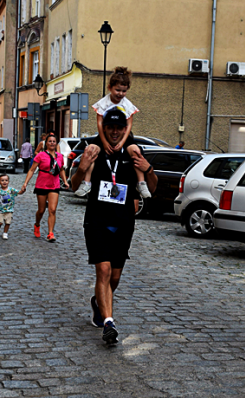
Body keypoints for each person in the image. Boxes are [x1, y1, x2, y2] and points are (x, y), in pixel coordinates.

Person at [70, 108, 158, 345]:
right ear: (105, 128)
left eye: (120, 128)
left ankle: (98, 303)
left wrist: (148, 168)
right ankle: (109, 323)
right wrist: (82, 167)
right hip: (97, 220)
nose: (116, 132)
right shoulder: (94, 150)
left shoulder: (132, 152)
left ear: (124, 129)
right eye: (111, 127)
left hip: (124, 222)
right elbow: (73, 186)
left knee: (115, 278)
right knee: (104, 271)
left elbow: (153, 186)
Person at [75, 67, 150, 199]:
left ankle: (141, 182)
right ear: (110, 88)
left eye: (124, 91)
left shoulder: (127, 105)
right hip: (105, 134)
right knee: (91, 150)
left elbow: (129, 124)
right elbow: (99, 123)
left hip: (124, 134)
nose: (120, 94)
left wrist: (122, 142)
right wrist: (103, 142)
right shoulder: (103, 103)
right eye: (118, 90)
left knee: (136, 151)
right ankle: (86, 182)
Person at [20, 132, 70, 243]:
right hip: (42, 184)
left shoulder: (60, 156)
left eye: (54, 141)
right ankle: (37, 224)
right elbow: (32, 170)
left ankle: (50, 233)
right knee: (41, 210)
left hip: (54, 185)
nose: (52, 143)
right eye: (50, 141)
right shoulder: (41, 155)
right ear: (46, 143)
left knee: (52, 210)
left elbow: (61, 169)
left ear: (56, 143)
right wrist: (25, 183)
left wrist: (65, 182)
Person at [0, 174, 22, 240]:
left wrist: (23, 189)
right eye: (2, 180)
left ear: (8, 181)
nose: (4, 182)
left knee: (8, 222)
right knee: (0, 222)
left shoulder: (11, 190)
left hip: (9, 209)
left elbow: (19, 192)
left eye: (6, 180)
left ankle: (5, 233)